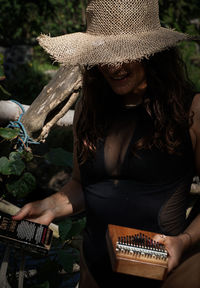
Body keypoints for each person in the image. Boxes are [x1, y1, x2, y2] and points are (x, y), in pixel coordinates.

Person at [13, 0, 200, 287]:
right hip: (95, 274)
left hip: (168, 275)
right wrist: (50, 206)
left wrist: (184, 242)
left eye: (126, 53)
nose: (114, 65)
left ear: (153, 53)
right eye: (104, 52)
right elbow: (81, 184)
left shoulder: (190, 110)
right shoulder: (90, 109)